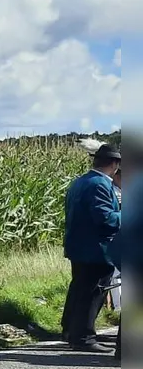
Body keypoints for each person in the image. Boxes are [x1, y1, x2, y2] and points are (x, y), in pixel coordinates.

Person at [61, 142, 123, 353]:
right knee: (92, 294)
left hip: (79, 246)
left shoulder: (82, 181)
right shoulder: (100, 184)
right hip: (96, 249)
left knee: (80, 290)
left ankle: (71, 331)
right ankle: (84, 337)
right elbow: (106, 219)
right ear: (114, 164)